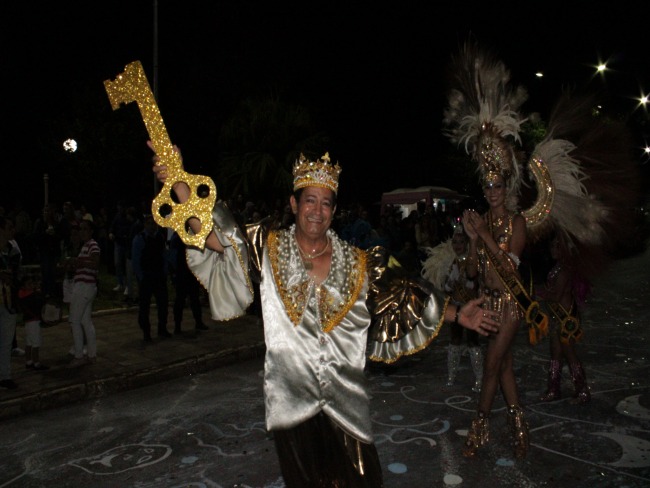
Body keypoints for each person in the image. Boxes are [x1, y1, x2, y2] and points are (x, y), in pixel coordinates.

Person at [151, 145, 499, 487]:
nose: (317, 211)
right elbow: (216, 236)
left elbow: (407, 293)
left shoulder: (360, 263)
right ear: (294, 204)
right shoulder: (267, 248)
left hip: (347, 405)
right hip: (291, 404)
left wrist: (458, 314)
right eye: (309, 201)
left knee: (364, 481)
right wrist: (179, 179)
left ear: (333, 211)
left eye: (326, 202)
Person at [421, 226, 483, 392]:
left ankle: (479, 379)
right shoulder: (450, 263)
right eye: (455, 242)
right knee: (454, 341)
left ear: (467, 243)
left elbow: (473, 284)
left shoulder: (472, 260)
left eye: (461, 242)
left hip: (471, 308)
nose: (458, 245)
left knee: (473, 343)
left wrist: (464, 281)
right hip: (456, 307)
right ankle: (451, 376)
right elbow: (446, 288)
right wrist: (449, 281)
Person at [536, 236, 591, 404]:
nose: (553, 249)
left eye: (558, 246)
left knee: (569, 353)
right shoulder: (558, 268)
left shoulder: (564, 270)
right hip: (556, 317)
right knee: (555, 354)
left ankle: (582, 390)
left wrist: (538, 293)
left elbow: (557, 296)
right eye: (552, 245)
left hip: (566, 318)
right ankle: (554, 389)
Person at [131, 214, 171, 342]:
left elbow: (164, 255)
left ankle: (162, 328)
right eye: (149, 223)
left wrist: (165, 271)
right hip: (147, 276)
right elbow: (136, 260)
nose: (152, 226)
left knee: (163, 304)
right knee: (144, 306)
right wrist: (141, 276)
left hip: (159, 275)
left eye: (153, 223)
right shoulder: (139, 239)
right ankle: (146, 332)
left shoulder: (159, 237)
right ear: (145, 225)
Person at [67, 219, 100, 367]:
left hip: (84, 286)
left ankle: (79, 355)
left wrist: (78, 262)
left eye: (85, 229)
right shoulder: (85, 246)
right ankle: (91, 354)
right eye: (81, 229)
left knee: (74, 320)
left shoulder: (92, 245)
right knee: (85, 321)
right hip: (86, 286)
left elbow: (95, 263)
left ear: (91, 231)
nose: (82, 232)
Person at [169, 231, 207, 334]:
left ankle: (198, 321)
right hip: (182, 272)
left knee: (194, 298)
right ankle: (177, 325)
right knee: (180, 300)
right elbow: (173, 255)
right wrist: (175, 271)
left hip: (191, 272)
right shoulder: (177, 237)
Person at [0, 216, 20, 389]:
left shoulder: (13, 251)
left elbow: (16, 275)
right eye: (9, 227)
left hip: (8, 302)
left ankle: (5, 376)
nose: (12, 230)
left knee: (6, 341)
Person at [17, 273, 49, 371]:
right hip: (34, 322)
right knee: (36, 344)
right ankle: (36, 363)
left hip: (28, 322)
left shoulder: (23, 296)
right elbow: (41, 303)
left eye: (32, 284)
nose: (32, 286)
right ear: (24, 286)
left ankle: (29, 361)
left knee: (29, 343)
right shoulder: (32, 296)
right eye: (29, 284)